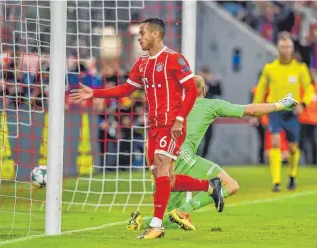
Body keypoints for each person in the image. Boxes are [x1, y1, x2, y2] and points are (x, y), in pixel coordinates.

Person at [70, 18, 224, 240]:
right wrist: (95, 93)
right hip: (153, 127)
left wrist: (180, 119)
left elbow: (190, 90)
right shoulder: (142, 64)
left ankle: (156, 225)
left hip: (171, 124)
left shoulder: (174, 59)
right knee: (165, 179)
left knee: (162, 166)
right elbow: (125, 89)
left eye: (142, 33)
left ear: (156, 35)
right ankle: (210, 186)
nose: (139, 38)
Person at [127, 75, 299, 231]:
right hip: (184, 155)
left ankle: (140, 221)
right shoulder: (211, 105)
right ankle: (183, 211)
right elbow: (251, 110)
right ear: (204, 90)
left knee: (170, 221)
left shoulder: (173, 105)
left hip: (163, 158)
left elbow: (152, 136)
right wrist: (280, 104)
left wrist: (153, 168)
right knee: (230, 185)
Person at [253, 32, 314, 192]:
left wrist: (303, 103)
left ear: (292, 49)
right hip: (275, 109)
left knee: (293, 147)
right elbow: (261, 89)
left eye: (288, 47)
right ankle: (276, 182)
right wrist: (254, 109)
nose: (285, 50)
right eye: (282, 47)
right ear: (277, 48)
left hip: (292, 112)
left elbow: (309, 89)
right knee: (275, 142)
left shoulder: (300, 68)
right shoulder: (270, 68)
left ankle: (292, 175)